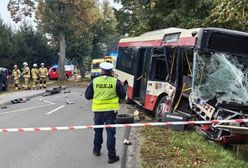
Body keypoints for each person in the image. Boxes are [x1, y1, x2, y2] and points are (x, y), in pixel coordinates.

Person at [85, 62, 126, 164]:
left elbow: (88, 96)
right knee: (110, 133)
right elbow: (122, 95)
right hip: (111, 111)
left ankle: (96, 150)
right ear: (111, 71)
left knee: (98, 131)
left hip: (98, 111)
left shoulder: (95, 81)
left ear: (102, 70)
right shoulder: (115, 82)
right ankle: (112, 157)